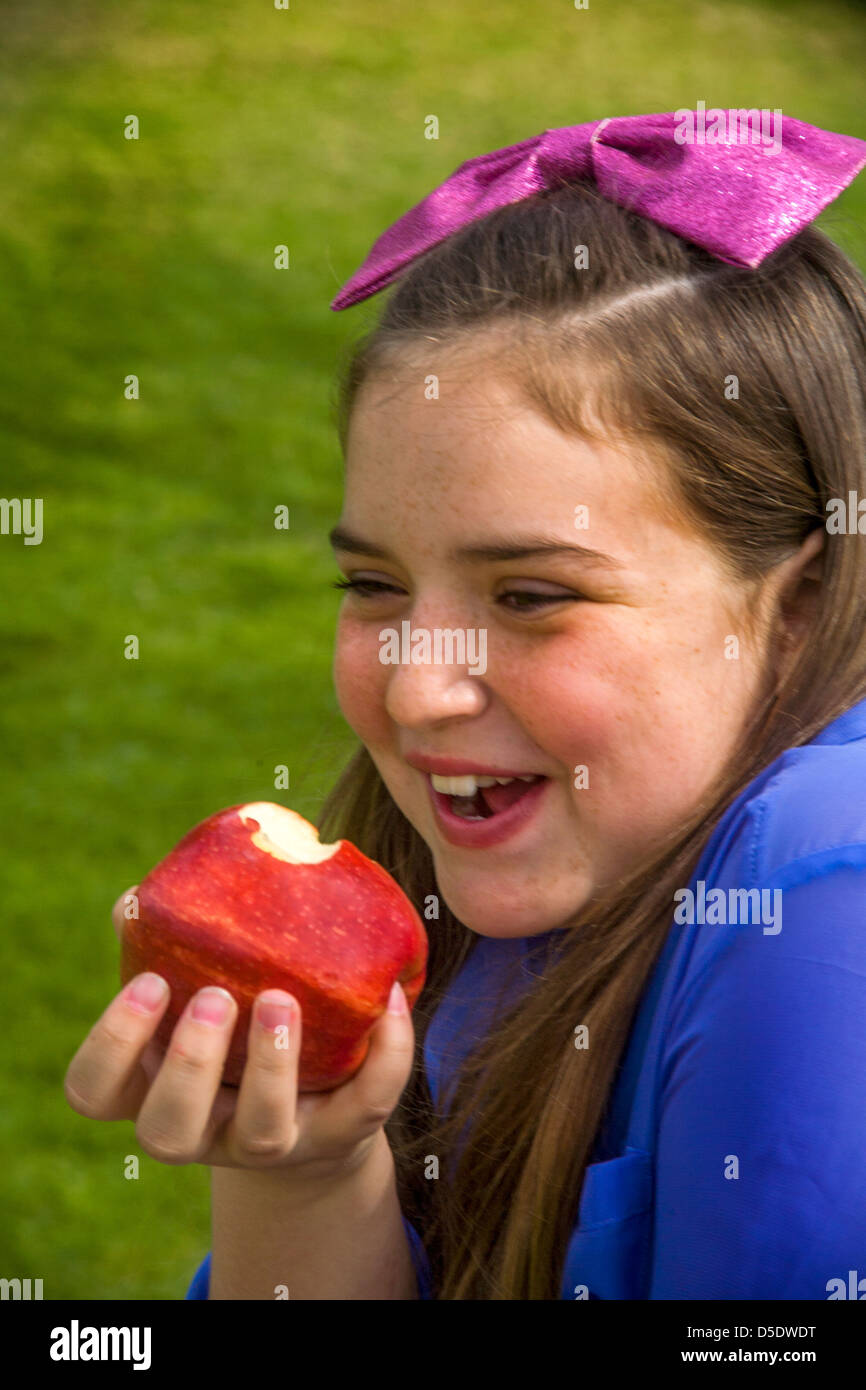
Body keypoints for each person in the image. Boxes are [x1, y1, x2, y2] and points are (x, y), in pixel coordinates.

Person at [65, 113, 866, 1300]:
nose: (414, 684)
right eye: (373, 585)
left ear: (796, 604)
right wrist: (308, 1174)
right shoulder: (531, 879)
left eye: (532, 595)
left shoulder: (819, 887)